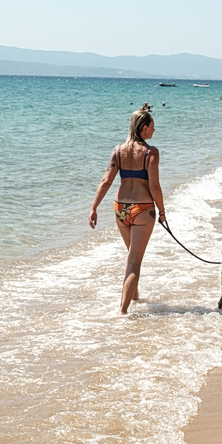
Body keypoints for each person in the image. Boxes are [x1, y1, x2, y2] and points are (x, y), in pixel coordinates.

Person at [89, 110, 166, 315]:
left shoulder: (118, 151)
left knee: (132, 256)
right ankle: (122, 312)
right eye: (152, 126)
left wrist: (93, 207)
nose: (154, 129)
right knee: (134, 261)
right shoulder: (151, 153)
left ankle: (135, 297)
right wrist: (162, 212)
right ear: (143, 128)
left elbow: (106, 181)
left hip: (121, 209)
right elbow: (155, 187)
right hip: (142, 210)